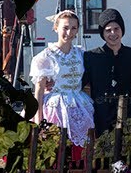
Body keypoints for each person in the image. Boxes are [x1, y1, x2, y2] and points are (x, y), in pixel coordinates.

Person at [31, 10, 94, 148]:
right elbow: (39, 90)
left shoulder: (81, 53)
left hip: (79, 103)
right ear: (56, 28)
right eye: (65, 27)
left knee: (81, 147)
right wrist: (38, 120)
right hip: (55, 106)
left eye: (73, 28)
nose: (69, 32)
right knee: (56, 146)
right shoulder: (45, 57)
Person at [83, 8, 131, 134]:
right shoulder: (91, 57)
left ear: (122, 30)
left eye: (116, 29)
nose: (113, 33)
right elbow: (79, 82)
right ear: (102, 33)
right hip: (101, 116)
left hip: (128, 114)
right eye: (108, 30)